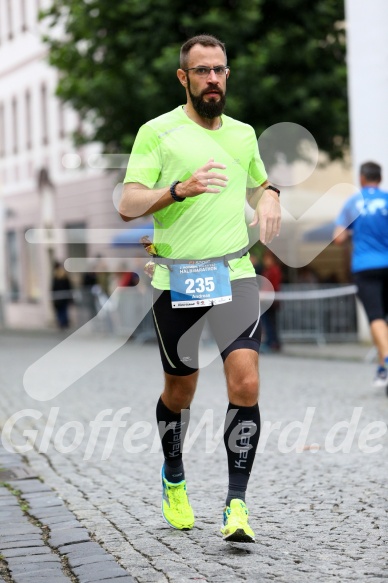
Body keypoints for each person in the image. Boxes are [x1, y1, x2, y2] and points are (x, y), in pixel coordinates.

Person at [119, 34, 281, 542]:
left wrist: (271, 194)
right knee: (180, 390)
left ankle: (236, 505)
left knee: (246, 382)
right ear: (183, 78)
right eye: (202, 70)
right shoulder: (157, 133)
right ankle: (174, 476)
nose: (213, 79)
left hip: (235, 272)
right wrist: (176, 190)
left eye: (220, 70)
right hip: (178, 278)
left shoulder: (243, 134)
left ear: (227, 76)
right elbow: (127, 202)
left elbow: (256, 180)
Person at [334, 161, 388, 389]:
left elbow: (338, 237)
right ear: (380, 178)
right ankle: (381, 368)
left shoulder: (353, 202)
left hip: (365, 266)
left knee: (376, 317)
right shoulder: (386, 200)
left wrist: (352, 231)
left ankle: (385, 361)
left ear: (362, 178)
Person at [260, 250, 282, 352]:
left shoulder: (274, 270)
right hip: (266, 300)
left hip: (271, 300)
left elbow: (273, 285)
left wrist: (264, 294)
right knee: (268, 323)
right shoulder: (267, 270)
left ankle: (272, 342)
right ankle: (272, 342)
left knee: (270, 323)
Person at [51, 262, 72, 329]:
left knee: (61, 311)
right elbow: (69, 286)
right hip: (63, 297)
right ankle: (64, 322)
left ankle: (62, 323)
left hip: (59, 297)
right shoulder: (63, 276)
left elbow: (53, 287)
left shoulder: (56, 277)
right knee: (63, 310)